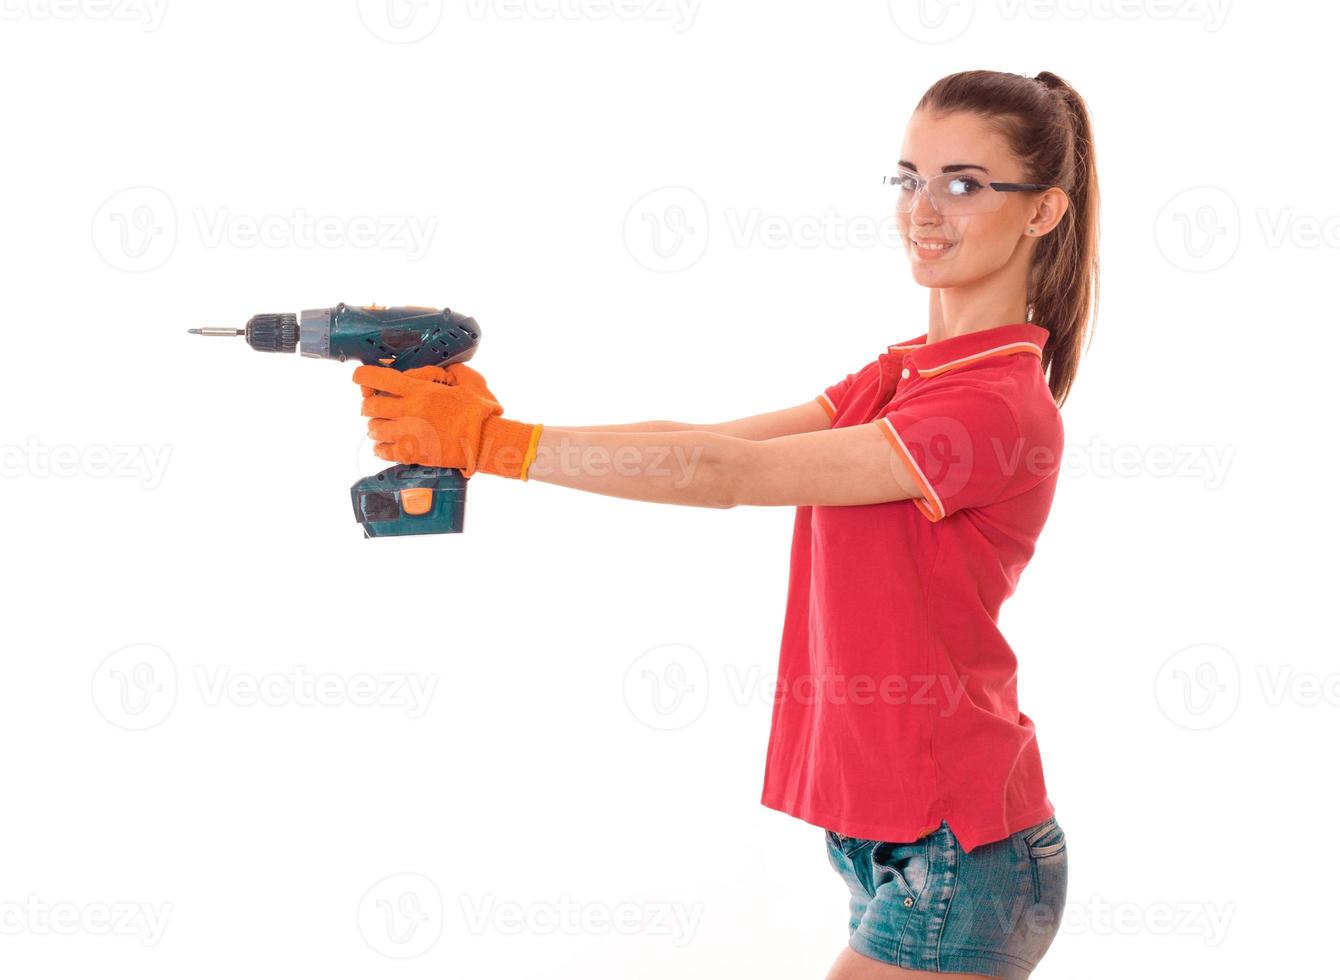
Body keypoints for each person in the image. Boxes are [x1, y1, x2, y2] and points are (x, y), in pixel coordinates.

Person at [353, 67, 1099, 980]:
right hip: (898, 845)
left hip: (960, 851)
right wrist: (491, 439)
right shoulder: (905, 378)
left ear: (1044, 211)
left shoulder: (993, 409)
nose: (923, 210)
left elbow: (728, 475)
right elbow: (701, 441)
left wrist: (495, 445)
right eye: (909, 178)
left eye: (964, 184)